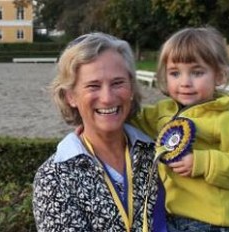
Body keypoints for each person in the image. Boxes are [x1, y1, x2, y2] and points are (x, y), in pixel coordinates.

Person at [131, 27, 229, 231]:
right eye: (175, 73)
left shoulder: (225, 120)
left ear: (220, 76)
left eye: (197, 72)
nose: (185, 82)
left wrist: (204, 162)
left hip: (211, 224)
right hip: (168, 218)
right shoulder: (162, 112)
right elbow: (132, 121)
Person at [32, 32, 167, 232]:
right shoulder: (54, 178)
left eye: (117, 83)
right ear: (71, 96)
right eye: (93, 86)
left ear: (131, 88)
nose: (107, 98)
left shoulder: (159, 153)